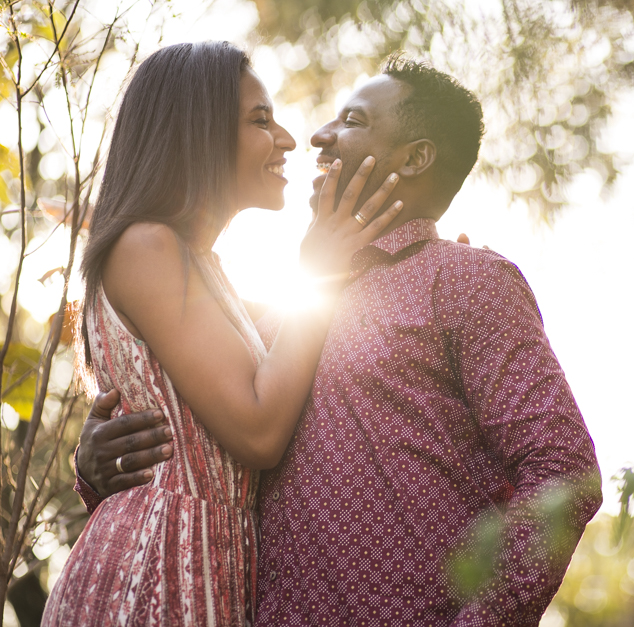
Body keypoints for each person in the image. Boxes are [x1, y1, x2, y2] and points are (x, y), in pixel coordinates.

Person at [74, 55, 603, 626]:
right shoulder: (275, 319)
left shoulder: (465, 280)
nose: (316, 136)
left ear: (415, 157)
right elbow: (188, 416)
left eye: (351, 120)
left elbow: (563, 467)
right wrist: (94, 465)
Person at [42, 41, 402, 627]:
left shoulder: (203, 271)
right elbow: (259, 429)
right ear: (197, 131)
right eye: (260, 120)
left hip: (205, 574)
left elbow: (298, 343)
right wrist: (318, 269)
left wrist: (420, 267)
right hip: (150, 581)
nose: (287, 139)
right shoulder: (146, 247)